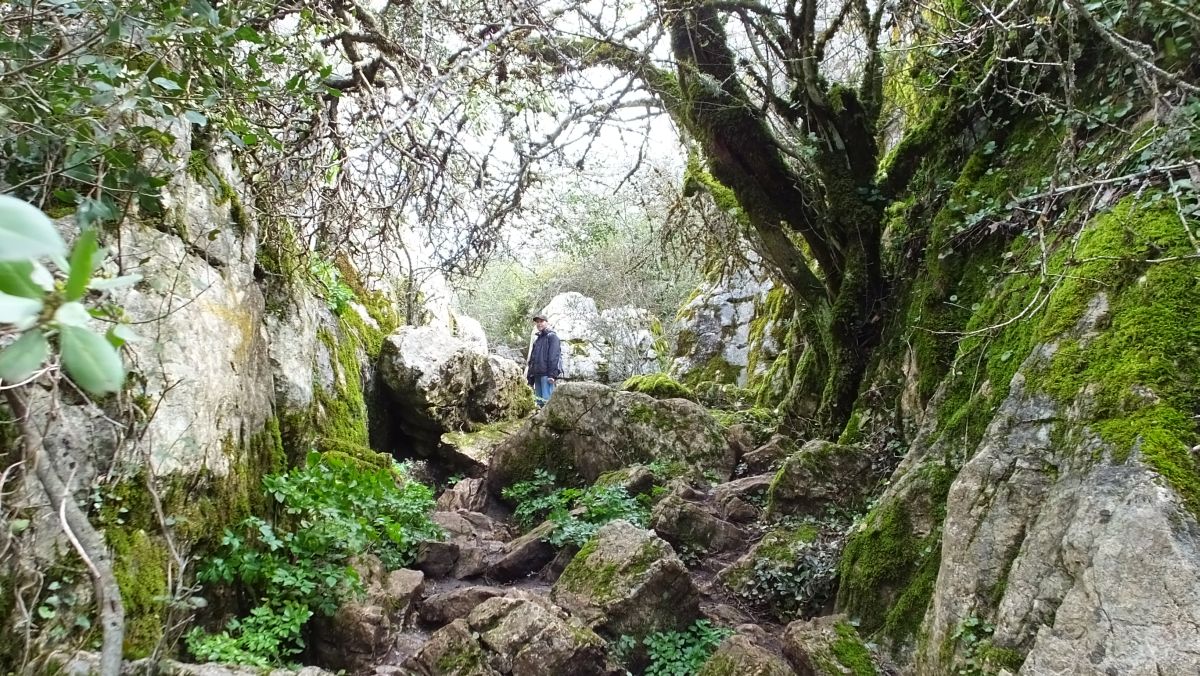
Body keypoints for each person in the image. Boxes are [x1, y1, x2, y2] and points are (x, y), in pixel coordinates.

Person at [527, 314, 561, 407]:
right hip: (537, 375)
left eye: (541, 321)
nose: (539, 324)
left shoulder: (552, 337)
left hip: (547, 375)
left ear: (547, 322)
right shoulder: (537, 339)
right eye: (537, 322)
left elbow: (554, 357)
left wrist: (552, 375)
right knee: (539, 402)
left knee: (547, 402)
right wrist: (530, 376)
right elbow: (532, 359)